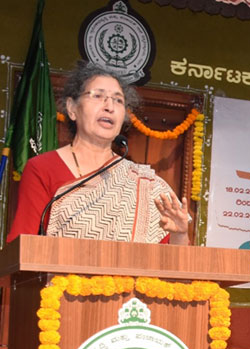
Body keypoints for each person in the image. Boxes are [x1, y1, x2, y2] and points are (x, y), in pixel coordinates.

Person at [6, 60, 190, 244]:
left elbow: (173, 258)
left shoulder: (144, 184)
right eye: (98, 96)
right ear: (72, 108)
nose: (109, 106)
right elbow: (22, 246)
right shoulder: (43, 168)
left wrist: (180, 234)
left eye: (118, 100)